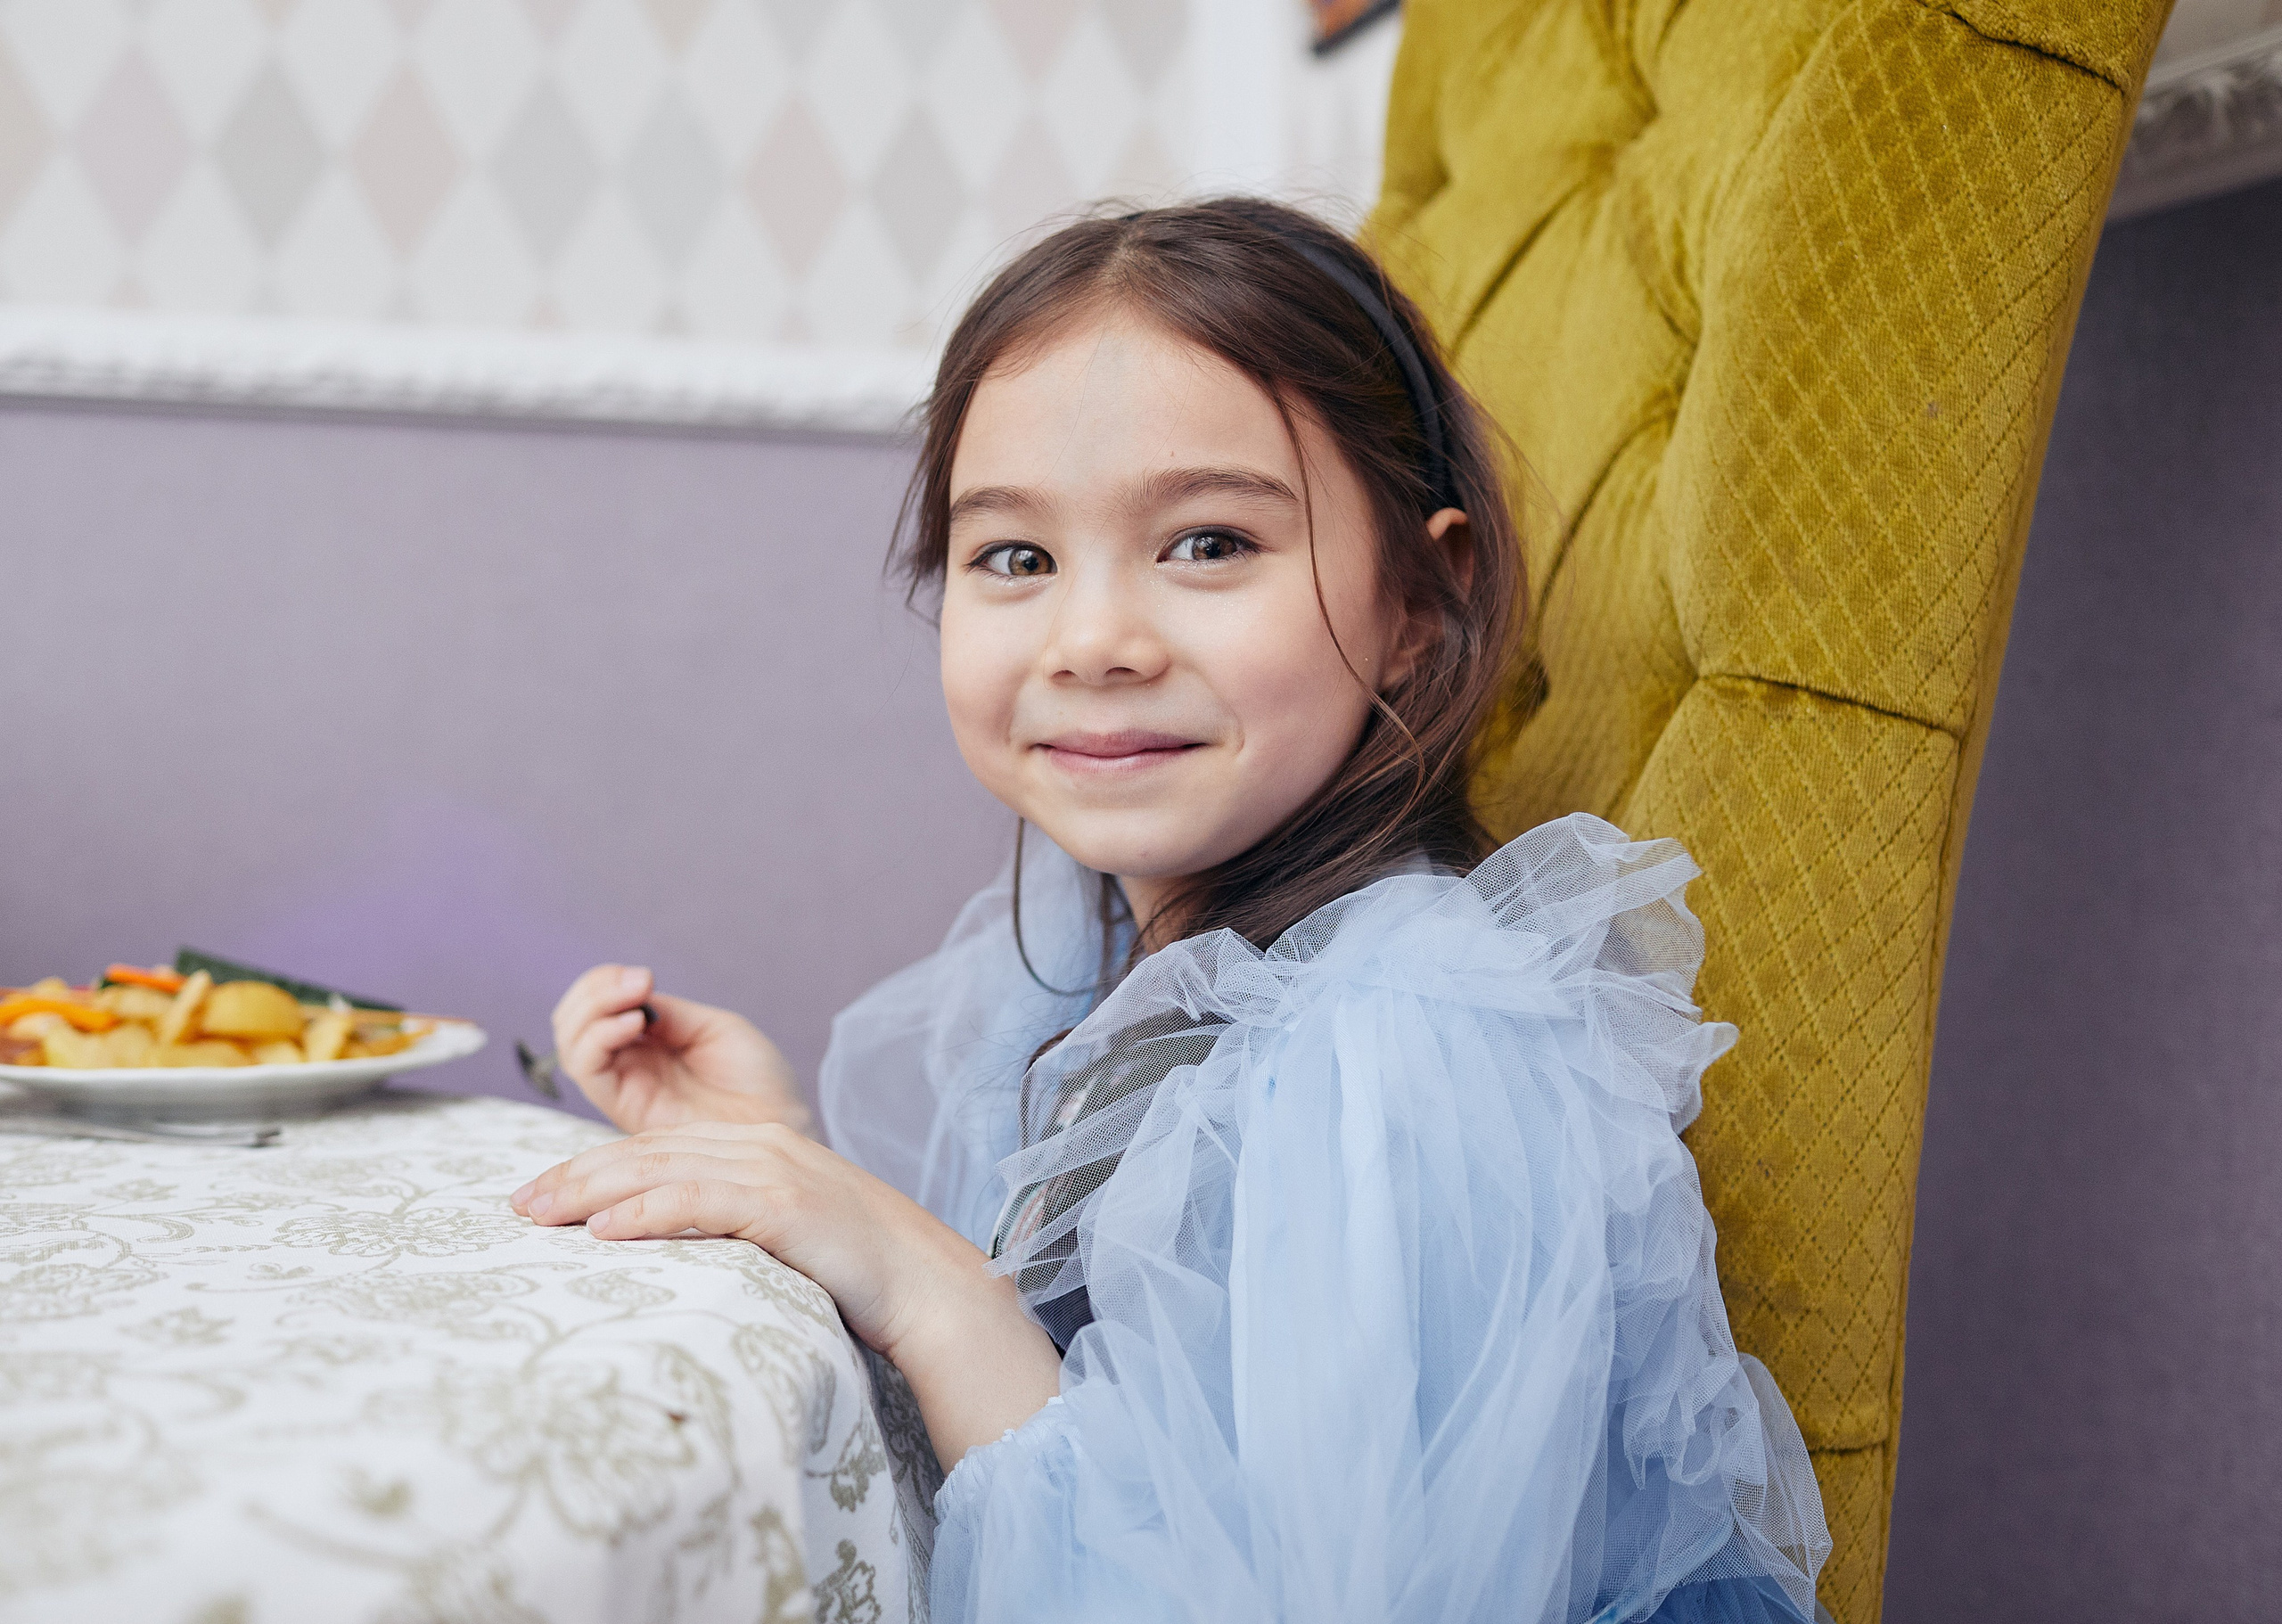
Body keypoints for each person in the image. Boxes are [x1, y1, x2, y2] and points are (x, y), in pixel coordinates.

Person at [510, 197, 1830, 1623]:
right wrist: (777, 1159)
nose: (1094, 643)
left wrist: (932, 1283)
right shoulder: (1093, 970)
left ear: (1421, 600)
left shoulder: (1407, 1050)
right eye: (1015, 557)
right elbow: (1075, 1409)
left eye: (1208, 544)